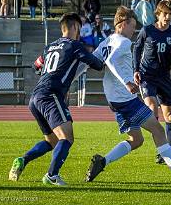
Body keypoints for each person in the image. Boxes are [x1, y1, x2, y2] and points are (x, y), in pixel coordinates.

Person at [81, 6, 171, 184]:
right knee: (158, 130)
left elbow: (94, 61)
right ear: (122, 24)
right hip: (126, 99)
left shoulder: (108, 40)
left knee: (136, 140)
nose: (134, 31)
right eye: (132, 26)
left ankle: (102, 161)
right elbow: (111, 61)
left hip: (114, 100)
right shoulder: (123, 42)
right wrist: (127, 82)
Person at [8, 13, 104, 186]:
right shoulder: (75, 45)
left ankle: (23, 160)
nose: (80, 32)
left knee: (51, 141)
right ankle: (52, 175)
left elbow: (36, 66)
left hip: (36, 97)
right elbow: (97, 64)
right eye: (79, 28)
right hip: (51, 95)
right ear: (75, 27)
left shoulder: (49, 47)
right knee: (66, 138)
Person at [133, 0, 171, 164]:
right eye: (165, 14)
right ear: (158, 14)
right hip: (147, 75)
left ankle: (167, 154)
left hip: (164, 77)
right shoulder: (147, 30)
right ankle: (160, 149)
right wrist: (136, 69)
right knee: (152, 108)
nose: (168, 17)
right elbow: (137, 48)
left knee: (170, 114)